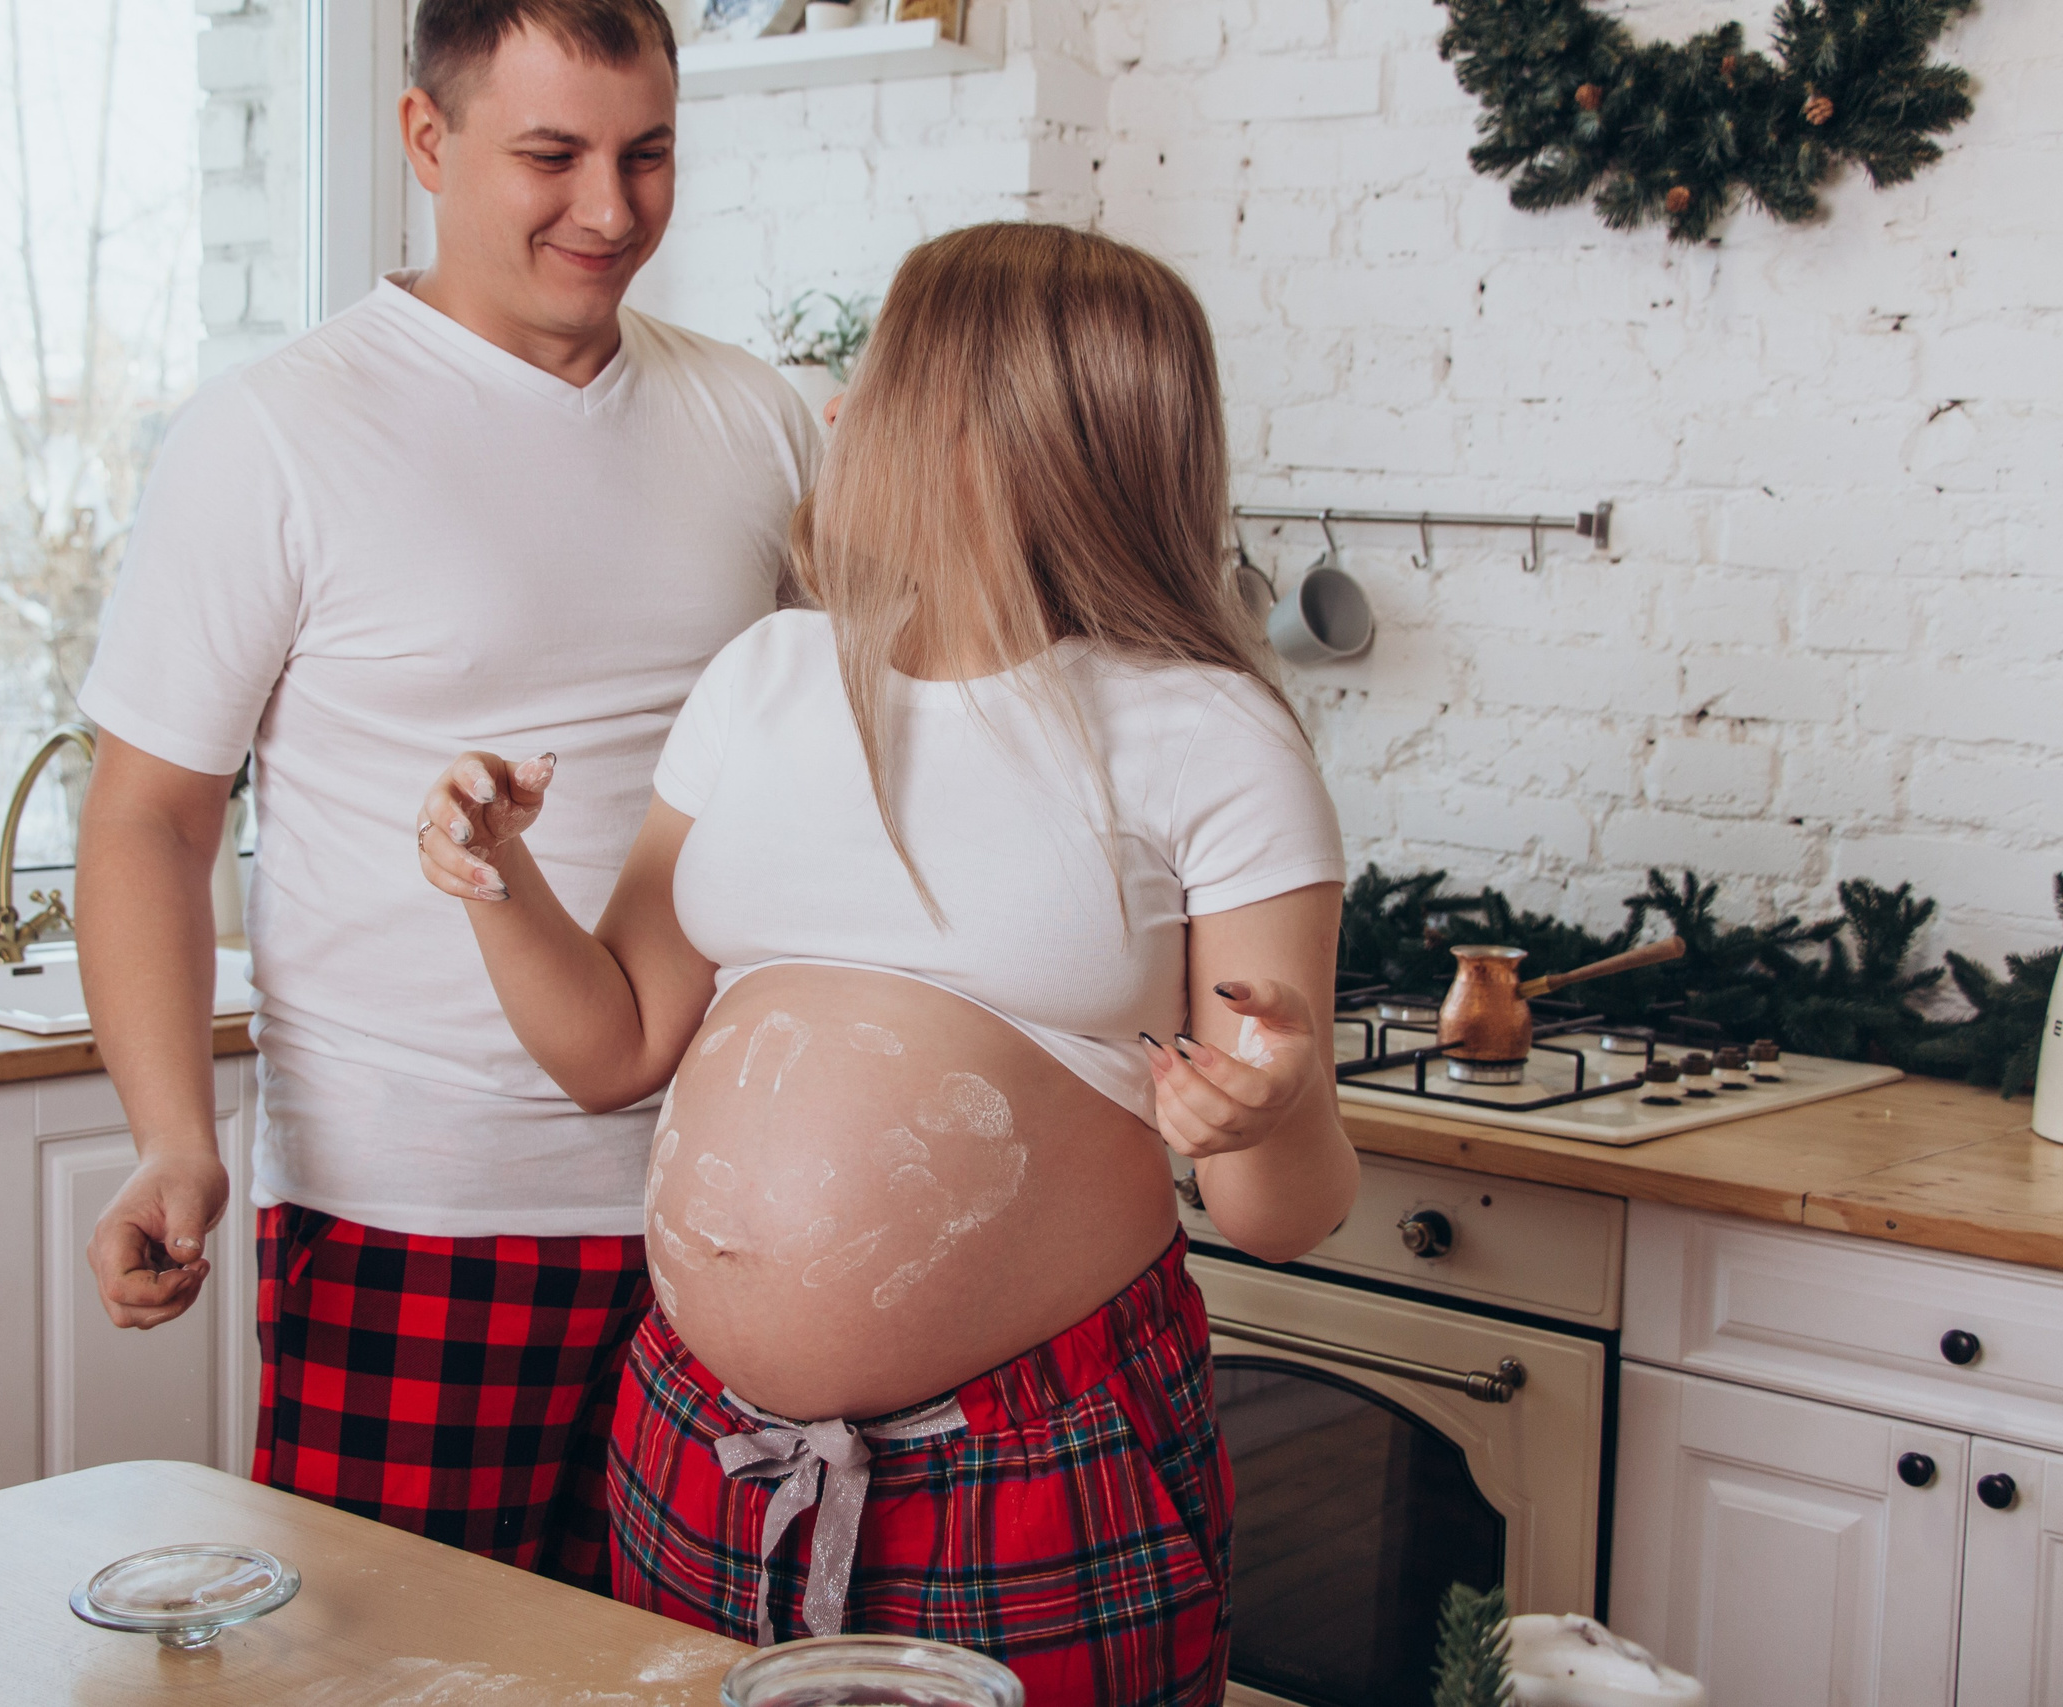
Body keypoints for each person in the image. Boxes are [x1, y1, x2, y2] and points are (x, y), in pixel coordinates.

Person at [413, 222, 1359, 1704]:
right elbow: (612, 1046)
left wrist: (1271, 1110)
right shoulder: (769, 676)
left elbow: (1283, 1211)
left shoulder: (1207, 733)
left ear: (1008, 431)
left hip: (1035, 1457)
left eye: (883, 377)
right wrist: (497, 880)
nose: (839, 411)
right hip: (703, 1441)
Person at [73, 0, 821, 1592]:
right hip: (415, 1215)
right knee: (382, 1669)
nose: (610, 211)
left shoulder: (756, 419)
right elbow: (150, 818)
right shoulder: (275, 434)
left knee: (687, 1682)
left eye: (649, 154)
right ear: (427, 139)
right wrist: (170, 1139)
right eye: (550, 155)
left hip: (729, 1211)